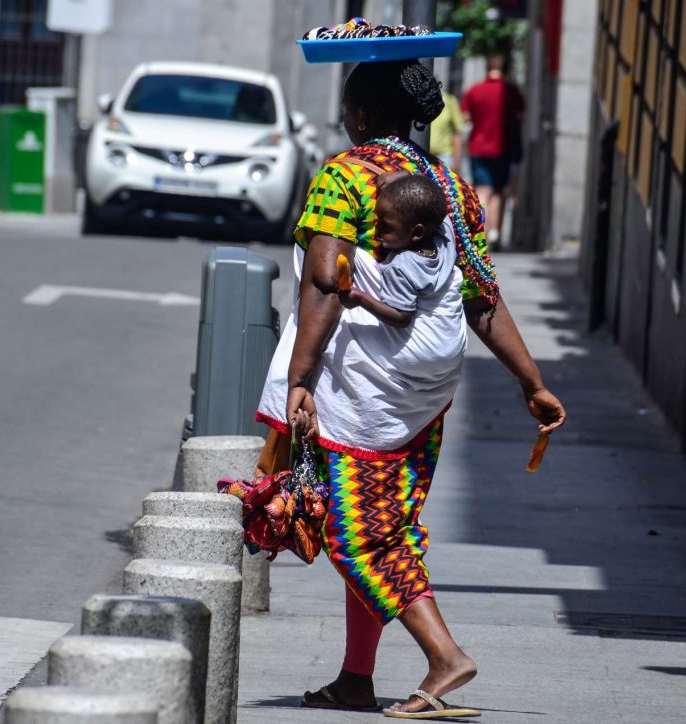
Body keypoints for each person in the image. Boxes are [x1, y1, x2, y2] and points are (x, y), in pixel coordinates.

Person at [254, 58, 565, 718]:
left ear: (362, 115)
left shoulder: (345, 176)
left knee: (354, 534)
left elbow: (323, 282)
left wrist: (301, 379)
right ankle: (356, 678)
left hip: (363, 387)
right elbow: (482, 297)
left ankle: (446, 658)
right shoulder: (450, 185)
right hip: (427, 392)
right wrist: (530, 380)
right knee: (389, 521)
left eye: (347, 109)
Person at [338, 172, 455, 329]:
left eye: (386, 226)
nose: (375, 231)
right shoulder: (445, 238)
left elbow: (401, 317)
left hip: (418, 350)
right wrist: (407, 177)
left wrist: (360, 298)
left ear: (417, 233)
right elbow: (435, 203)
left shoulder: (400, 267)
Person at [461, 53, 525, 249]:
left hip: (478, 146)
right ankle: (495, 231)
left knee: (481, 190)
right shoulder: (511, 91)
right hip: (503, 148)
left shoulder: (474, 90)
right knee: (498, 191)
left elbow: (465, 117)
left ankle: (481, 232)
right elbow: (520, 116)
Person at [429, 91, 464, 168]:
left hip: (444, 156)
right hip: (422, 155)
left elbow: (457, 132)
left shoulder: (450, 101)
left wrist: (456, 161)